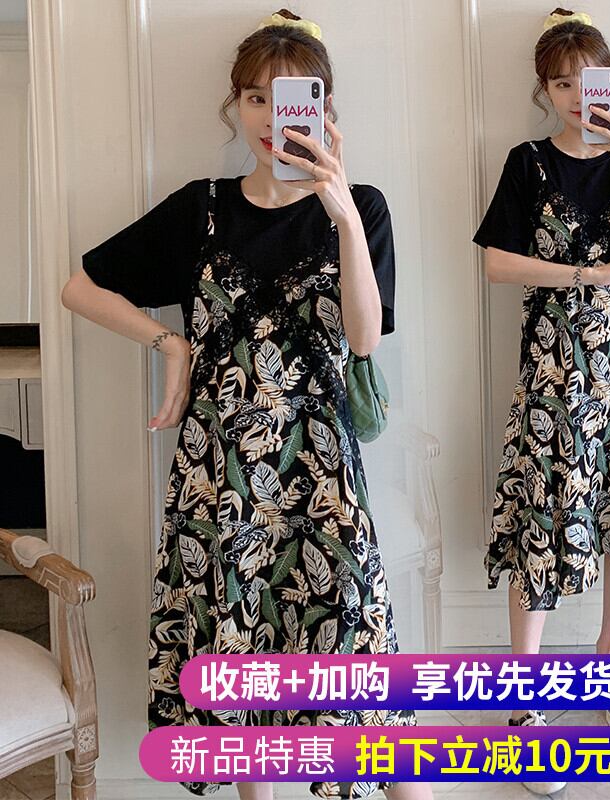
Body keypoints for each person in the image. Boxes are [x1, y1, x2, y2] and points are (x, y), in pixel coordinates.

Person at [61, 10, 433, 800]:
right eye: (257, 98)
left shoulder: (360, 208)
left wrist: (339, 209)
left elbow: (364, 338)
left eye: (292, 99)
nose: (272, 117)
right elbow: (80, 287)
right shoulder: (201, 209)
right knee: (239, 665)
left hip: (323, 480)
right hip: (219, 477)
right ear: (235, 105)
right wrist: (170, 344)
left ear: (325, 109)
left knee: (361, 671)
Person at [473, 7, 610, 795]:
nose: (578, 96)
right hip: (555, 366)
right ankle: (524, 700)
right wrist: (588, 274)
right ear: (545, 89)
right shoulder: (529, 163)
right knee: (543, 514)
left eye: (590, 80)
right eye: (563, 83)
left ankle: (608, 664)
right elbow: (497, 264)